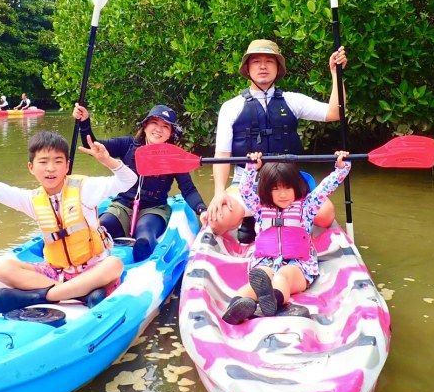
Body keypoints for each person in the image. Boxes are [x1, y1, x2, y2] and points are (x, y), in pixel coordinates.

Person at [0, 130, 137, 310]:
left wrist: (107, 160)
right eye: (43, 162)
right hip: (57, 273)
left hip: (93, 268)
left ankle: (43, 296)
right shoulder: (32, 200)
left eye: (58, 161)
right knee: (3, 269)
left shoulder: (85, 188)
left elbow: (129, 180)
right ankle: (79, 294)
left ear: (67, 165)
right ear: (31, 167)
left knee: (114, 265)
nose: (50, 169)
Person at [202, 39, 348, 242]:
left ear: (277, 68)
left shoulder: (293, 100)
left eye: (269, 61)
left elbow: (335, 113)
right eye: (256, 61)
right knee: (218, 220)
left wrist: (336, 73)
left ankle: (288, 218)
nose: (263, 66)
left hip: (288, 182)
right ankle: (251, 218)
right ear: (247, 68)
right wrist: (219, 193)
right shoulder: (230, 107)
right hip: (248, 182)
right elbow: (222, 156)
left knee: (325, 214)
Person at [222, 150, 351, 324]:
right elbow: (244, 190)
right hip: (266, 261)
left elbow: (326, 187)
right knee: (260, 279)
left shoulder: (307, 206)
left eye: (287, 188)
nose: (282, 194)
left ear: (296, 187)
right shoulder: (260, 208)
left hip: (298, 266)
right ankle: (236, 306)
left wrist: (341, 168)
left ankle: (273, 303)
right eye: (276, 189)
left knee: (282, 276)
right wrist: (252, 168)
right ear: (267, 191)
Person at [73, 103, 207, 262]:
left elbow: (188, 189)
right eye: (155, 123)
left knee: (144, 236)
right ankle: (87, 269)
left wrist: (202, 210)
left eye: (165, 126)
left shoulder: (173, 157)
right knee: (99, 230)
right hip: (122, 205)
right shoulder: (127, 144)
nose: (159, 129)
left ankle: (141, 271)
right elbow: (93, 145)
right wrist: (84, 123)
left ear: (170, 134)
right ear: (145, 126)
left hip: (154, 209)